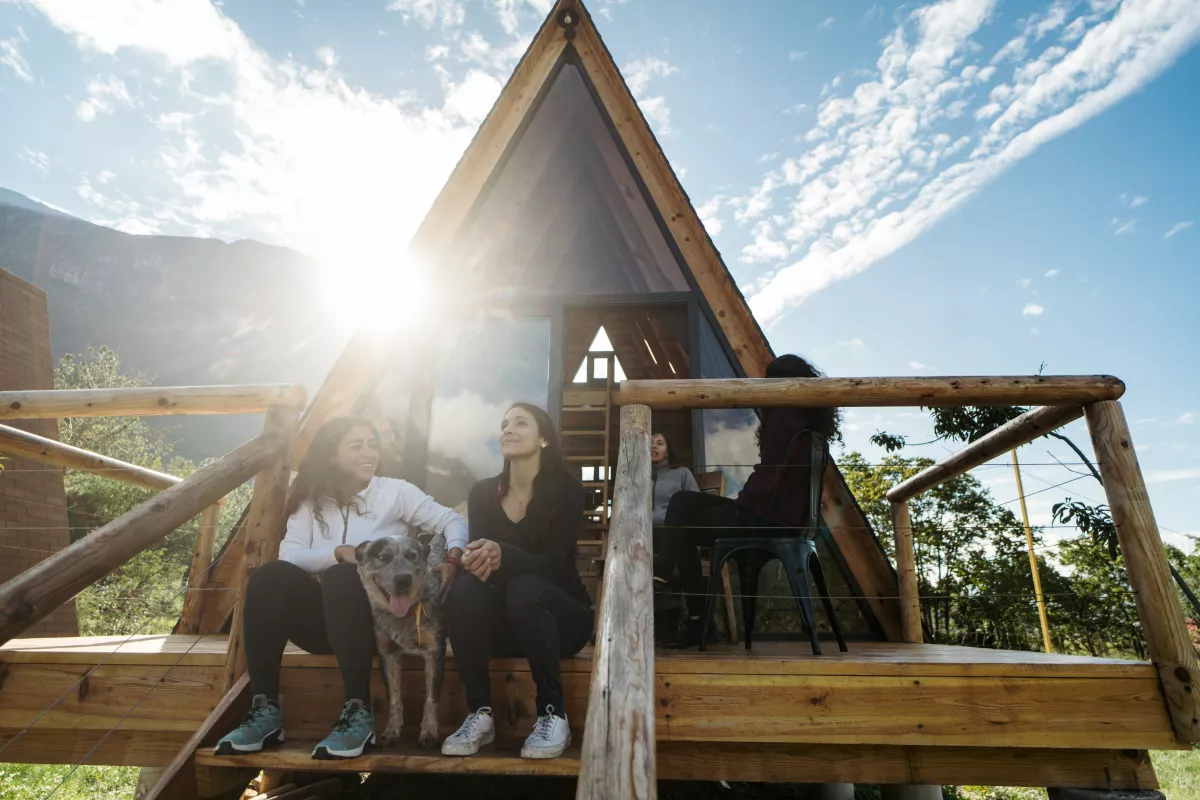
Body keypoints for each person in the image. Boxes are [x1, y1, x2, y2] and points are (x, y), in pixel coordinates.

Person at [213, 415, 468, 760]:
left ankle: (358, 712)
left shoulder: (395, 492)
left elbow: (452, 520)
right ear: (332, 455)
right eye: (356, 445)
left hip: (385, 627)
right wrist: (337, 552)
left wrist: (453, 558)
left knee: (343, 576)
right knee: (268, 576)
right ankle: (265, 711)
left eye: (372, 445)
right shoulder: (311, 502)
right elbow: (290, 554)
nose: (369, 453)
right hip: (327, 626)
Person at [656, 354, 842, 649]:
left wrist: (741, 502)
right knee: (682, 502)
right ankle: (669, 582)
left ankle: (685, 604)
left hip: (767, 518)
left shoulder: (782, 418)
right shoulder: (808, 424)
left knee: (682, 524)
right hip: (787, 519)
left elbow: (767, 478)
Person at [441, 403, 593, 760]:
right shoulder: (483, 492)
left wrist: (504, 554)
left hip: (562, 621)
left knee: (525, 587)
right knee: (464, 590)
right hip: (506, 627)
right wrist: (474, 559)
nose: (508, 429)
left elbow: (554, 564)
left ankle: (553, 713)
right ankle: (479, 713)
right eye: (505, 424)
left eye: (520, 423)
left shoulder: (568, 491)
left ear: (543, 440)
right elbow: (484, 567)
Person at [650, 431, 700, 527]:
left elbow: (697, 505)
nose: (653, 446)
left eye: (660, 443)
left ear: (667, 452)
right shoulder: (639, 479)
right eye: (650, 443)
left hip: (673, 530)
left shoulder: (682, 473)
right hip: (641, 532)